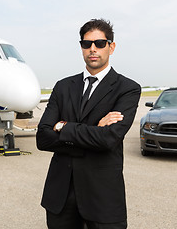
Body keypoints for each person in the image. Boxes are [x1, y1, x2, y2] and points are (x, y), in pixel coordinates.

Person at [36, 19, 141, 229]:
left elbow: (108, 139)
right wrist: (94, 131)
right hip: (61, 197)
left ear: (111, 47)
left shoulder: (127, 89)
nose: (92, 49)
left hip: (102, 198)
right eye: (86, 44)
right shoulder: (63, 86)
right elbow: (43, 138)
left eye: (100, 43)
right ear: (81, 47)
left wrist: (63, 127)